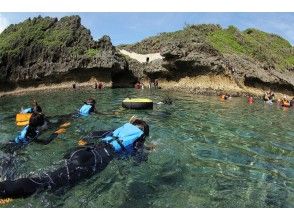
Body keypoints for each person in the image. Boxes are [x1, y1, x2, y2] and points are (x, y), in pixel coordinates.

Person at [0, 118, 150, 200]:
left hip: (82, 152)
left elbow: (92, 134)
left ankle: (9, 182)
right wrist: (148, 150)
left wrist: (81, 145)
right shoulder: (138, 140)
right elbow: (138, 160)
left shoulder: (117, 131)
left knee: (47, 177)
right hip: (93, 162)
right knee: (45, 184)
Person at [1, 113, 68, 154]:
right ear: (39, 125)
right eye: (45, 121)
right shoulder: (31, 135)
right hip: (15, 149)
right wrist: (56, 133)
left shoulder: (30, 125)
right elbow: (45, 142)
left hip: (11, 142)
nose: (46, 122)